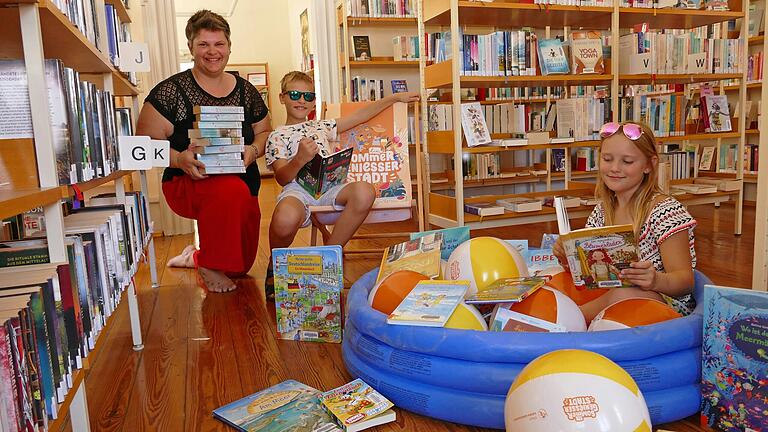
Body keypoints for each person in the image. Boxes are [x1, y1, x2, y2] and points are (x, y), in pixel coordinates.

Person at [136, 10, 272, 292]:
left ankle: (196, 256)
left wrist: (254, 149)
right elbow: (143, 146)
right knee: (228, 190)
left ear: (229, 47)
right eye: (204, 44)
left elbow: (265, 131)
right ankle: (208, 264)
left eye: (219, 44)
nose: (213, 51)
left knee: (239, 266)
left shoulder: (247, 92)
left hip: (244, 183)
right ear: (191, 48)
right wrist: (179, 159)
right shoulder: (170, 92)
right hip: (187, 181)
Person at [264, 71, 418, 297]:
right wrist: (299, 159)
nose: (302, 101)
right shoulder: (277, 135)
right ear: (282, 97)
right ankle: (273, 264)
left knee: (365, 191)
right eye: (295, 94)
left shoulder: (322, 126)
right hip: (297, 190)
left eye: (308, 96)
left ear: (314, 101)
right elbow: (282, 177)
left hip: (330, 186)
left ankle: (327, 259)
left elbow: (361, 116)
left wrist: (394, 98)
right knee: (284, 219)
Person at [553, 122, 697, 320]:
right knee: (553, 276)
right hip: (610, 293)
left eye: (627, 161)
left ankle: (566, 324)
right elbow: (589, 275)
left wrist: (655, 280)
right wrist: (568, 257)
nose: (614, 168)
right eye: (607, 159)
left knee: (625, 294)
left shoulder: (666, 212)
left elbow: (686, 282)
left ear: (649, 165)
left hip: (662, 302)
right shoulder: (602, 210)